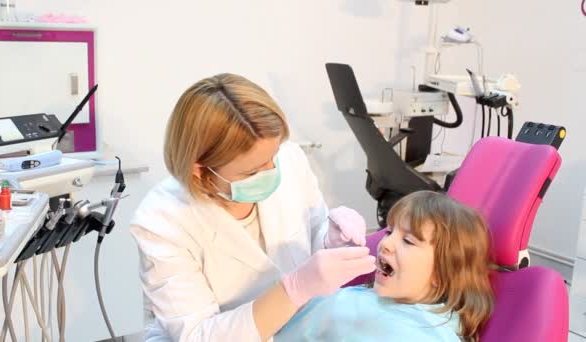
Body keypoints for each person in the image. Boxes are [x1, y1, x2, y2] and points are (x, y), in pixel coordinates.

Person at [130, 73, 376, 342]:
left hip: (298, 329)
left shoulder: (289, 159)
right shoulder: (161, 221)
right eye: (253, 171)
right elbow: (198, 335)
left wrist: (330, 238)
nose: (272, 172)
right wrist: (293, 289)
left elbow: (313, 228)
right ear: (200, 171)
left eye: (272, 157)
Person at [276, 190, 494, 342]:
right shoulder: (373, 296)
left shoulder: (420, 334)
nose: (385, 243)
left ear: (442, 272)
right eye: (390, 232)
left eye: (408, 241)